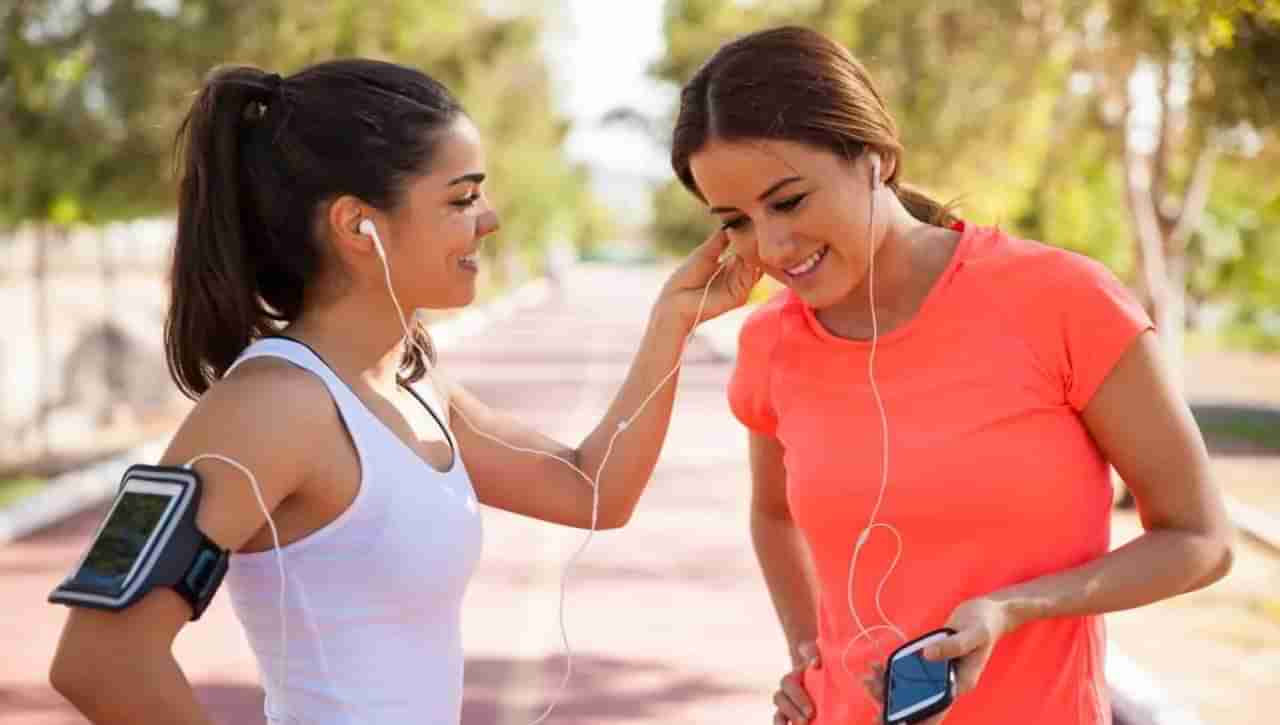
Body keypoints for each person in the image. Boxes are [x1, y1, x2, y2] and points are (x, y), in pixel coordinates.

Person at [48, 59, 758, 724]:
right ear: (359, 225)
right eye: (463, 197)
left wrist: (673, 323)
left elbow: (592, 488)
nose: (490, 218)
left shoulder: (413, 387)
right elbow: (99, 656)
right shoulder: (269, 405)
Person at [669, 26, 1234, 725]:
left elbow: (1201, 540)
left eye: (788, 201)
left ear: (873, 156)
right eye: (737, 222)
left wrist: (1016, 606)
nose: (773, 247)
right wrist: (808, 656)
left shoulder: (1062, 301)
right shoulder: (771, 344)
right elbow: (774, 511)